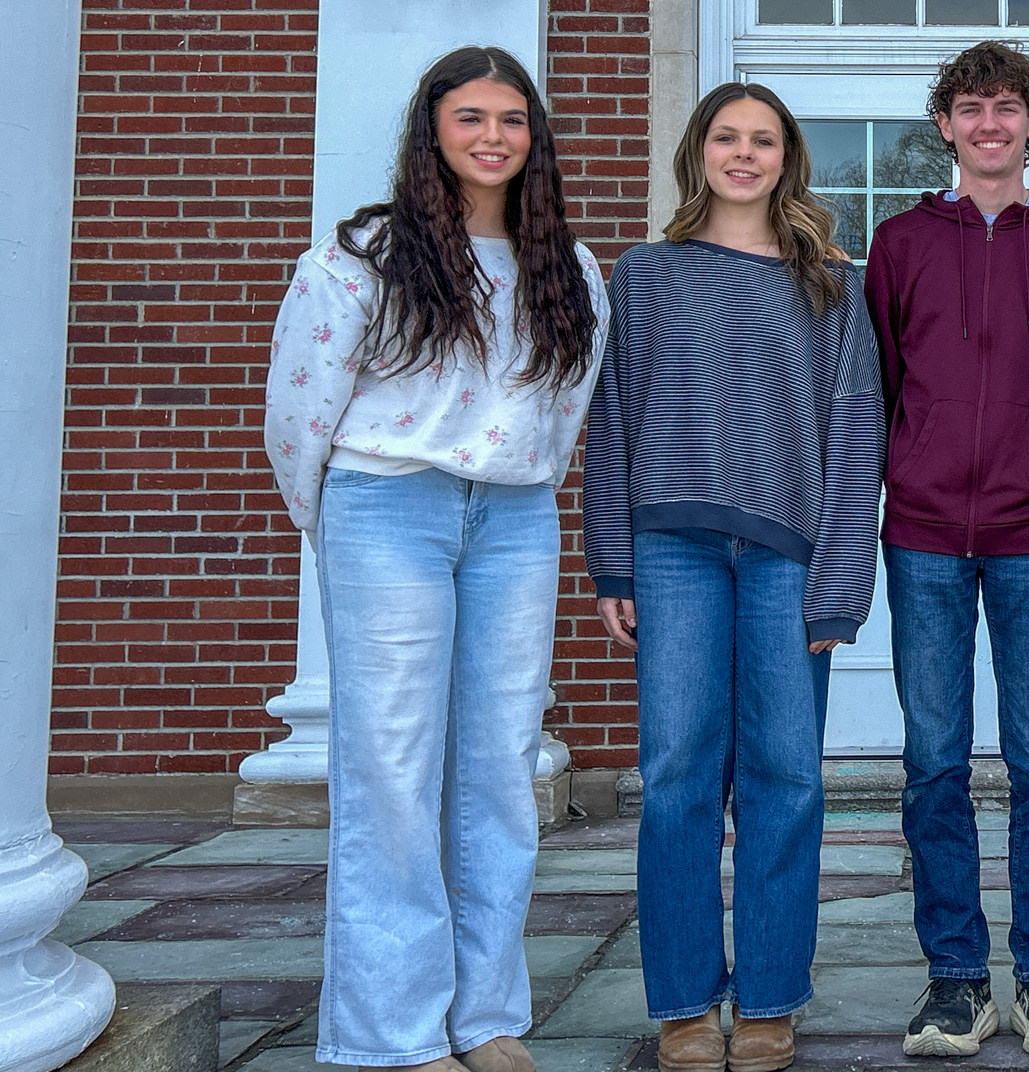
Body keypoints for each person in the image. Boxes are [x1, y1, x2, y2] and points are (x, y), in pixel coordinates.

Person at [263, 46, 605, 1072]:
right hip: (385, 509)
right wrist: (334, 524)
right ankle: (390, 1034)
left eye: (511, 119)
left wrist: (530, 490)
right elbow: (298, 413)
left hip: (514, 518)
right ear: (433, 130)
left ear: (532, 136)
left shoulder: (571, 268)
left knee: (500, 767)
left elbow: (567, 405)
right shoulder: (360, 257)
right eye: (470, 118)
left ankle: (484, 1016)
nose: (493, 136)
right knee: (394, 769)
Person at [581, 81, 884, 1072]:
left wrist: (841, 579)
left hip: (786, 557)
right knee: (674, 776)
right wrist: (610, 560)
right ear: (698, 150)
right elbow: (612, 421)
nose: (743, 154)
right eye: (726, 137)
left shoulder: (831, 281)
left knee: (785, 780)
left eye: (763, 140)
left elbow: (854, 435)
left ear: (787, 158)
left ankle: (768, 995)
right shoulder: (645, 273)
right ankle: (680, 1000)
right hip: (670, 548)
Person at [862, 40, 1029, 1059]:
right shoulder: (898, 242)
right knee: (931, 762)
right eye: (971, 107)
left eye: (1008, 106)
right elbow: (875, 386)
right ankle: (955, 979)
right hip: (919, 532)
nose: (989, 123)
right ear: (945, 124)